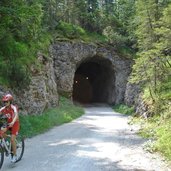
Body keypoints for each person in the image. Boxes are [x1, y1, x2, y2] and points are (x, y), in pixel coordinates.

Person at [0, 94, 20, 163]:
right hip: (8, 124)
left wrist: (13, 122)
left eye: (7, 101)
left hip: (15, 124)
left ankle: (15, 155)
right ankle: (7, 144)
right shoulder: (3, 109)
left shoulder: (13, 107)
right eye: (4, 102)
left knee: (12, 139)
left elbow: (16, 115)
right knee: (1, 133)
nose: (5, 103)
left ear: (10, 102)